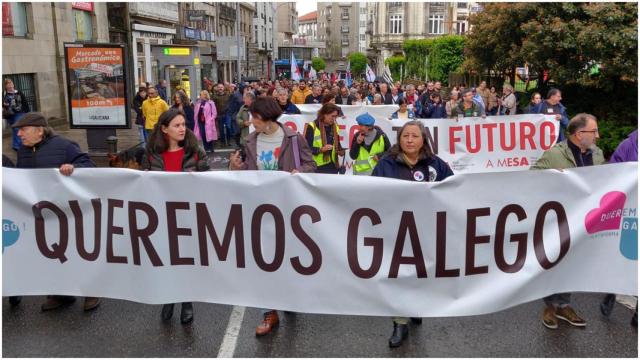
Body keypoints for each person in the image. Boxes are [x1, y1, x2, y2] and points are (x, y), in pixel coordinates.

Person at [228, 97, 315, 336]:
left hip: (288, 209)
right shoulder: (252, 140)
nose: (250, 121)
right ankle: (269, 312)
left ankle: (289, 297)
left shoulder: (294, 139)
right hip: (260, 209)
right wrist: (237, 168)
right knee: (265, 261)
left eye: (254, 117)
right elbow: (249, 172)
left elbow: (311, 165)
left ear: (267, 118)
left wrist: (300, 172)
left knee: (288, 259)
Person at [372, 120, 454, 348]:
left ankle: (416, 307)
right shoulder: (386, 165)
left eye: (414, 136)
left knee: (420, 273)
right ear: (399, 139)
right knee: (398, 275)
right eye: (405, 135)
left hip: (427, 230)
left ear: (423, 140)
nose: (409, 140)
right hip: (395, 230)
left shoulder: (436, 164)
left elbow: (455, 189)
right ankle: (400, 323)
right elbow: (370, 193)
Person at [12, 112, 100, 312]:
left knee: (77, 252)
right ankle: (61, 294)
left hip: (68, 212)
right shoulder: (23, 152)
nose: (19, 135)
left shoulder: (64, 146)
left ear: (39, 131)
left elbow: (90, 166)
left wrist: (73, 166)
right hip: (42, 214)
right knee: (52, 254)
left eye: (23, 130)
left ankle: (90, 291)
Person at [531, 113, 605, 330]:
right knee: (555, 262)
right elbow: (531, 177)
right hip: (559, 220)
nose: (598, 136)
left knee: (573, 264)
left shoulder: (598, 154)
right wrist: (555, 178)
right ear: (579, 134)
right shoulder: (555, 154)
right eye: (594, 131)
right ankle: (549, 306)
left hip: (586, 221)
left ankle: (564, 304)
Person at [140, 108, 209, 325]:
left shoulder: (195, 151)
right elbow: (143, 183)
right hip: (161, 215)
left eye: (183, 124)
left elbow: (210, 182)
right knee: (166, 260)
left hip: (189, 214)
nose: (182, 129)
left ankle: (186, 301)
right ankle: (169, 298)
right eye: (176, 125)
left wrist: (197, 178)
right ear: (164, 129)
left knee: (185, 260)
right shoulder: (152, 154)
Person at [599, 129, 638, 328]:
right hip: (631, 212)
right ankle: (611, 291)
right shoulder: (629, 145)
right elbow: (612, 172)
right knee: (627, 255)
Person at [304, 103, 345, 174]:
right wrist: (320, 150)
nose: (334, 119)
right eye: (332, 116)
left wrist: (341, 151)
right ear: (324, 114)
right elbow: (306, 148)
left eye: (336, 117)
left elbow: (337, 144)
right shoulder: (312, 126)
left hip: (333, 165)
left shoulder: (335, 126)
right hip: (317, 167)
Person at [3, 78, 30, 151]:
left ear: (13, 84)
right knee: (15, 129)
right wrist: (4, 104)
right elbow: (3, 105)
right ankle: (16, 145)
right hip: (10, 115)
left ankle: (17, 146)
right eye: (8, 84)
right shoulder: (4, 94)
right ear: (6, 86)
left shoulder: (18, 92)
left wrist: (27, 113)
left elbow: (25, 102)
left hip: (19, 113)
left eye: (11, 83)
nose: (10, 85)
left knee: (16, 128)